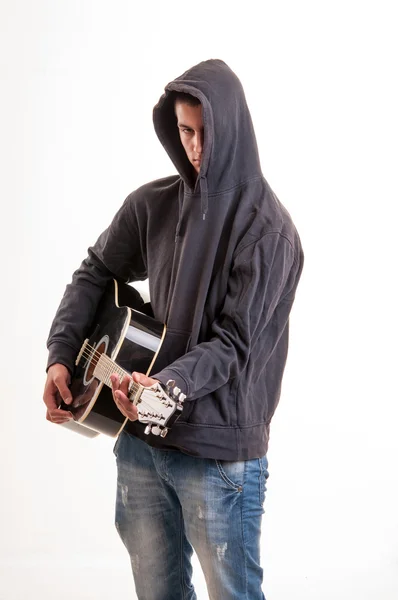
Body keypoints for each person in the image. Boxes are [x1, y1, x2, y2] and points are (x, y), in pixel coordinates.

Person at [43, 59, 304, 600]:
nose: (196, 147)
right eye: (185, 131)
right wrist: (62, 354)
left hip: (217, 456)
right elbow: (96, 269)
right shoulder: (154, 203)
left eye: (207, 132)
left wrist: (164, 388)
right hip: (140, 445)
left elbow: (235, 346)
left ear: (235, 126)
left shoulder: (270, 233)